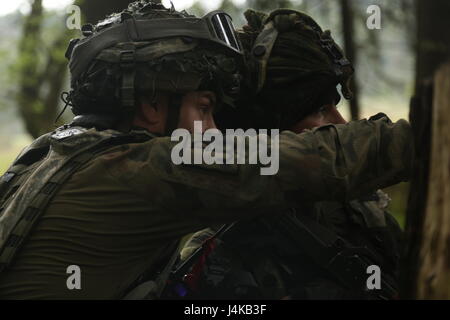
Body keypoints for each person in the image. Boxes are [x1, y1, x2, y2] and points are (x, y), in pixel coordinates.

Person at [0, 2, 412, 299]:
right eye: (204, 108)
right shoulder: (141, 170)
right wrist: (423, 137)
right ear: (152, 106)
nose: (214, 128)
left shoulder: (51, 153)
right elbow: (308, 162)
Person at [172, 9, 407, 300]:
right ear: (268, 134)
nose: (341, 124)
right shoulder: (215, 258)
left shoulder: (360, 213)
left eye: (333, 105)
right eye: (320, 110)